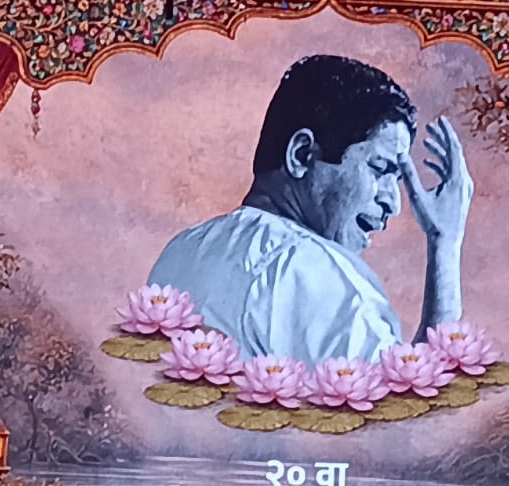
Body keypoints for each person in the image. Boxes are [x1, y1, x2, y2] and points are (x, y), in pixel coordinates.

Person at [147, 55, 473, 365]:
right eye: (379, 169)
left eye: (398, 180)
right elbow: (415, 403)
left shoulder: (182, 249)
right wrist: (445, 243)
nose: (394, 203)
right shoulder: (315, 274)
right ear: (302, 155)